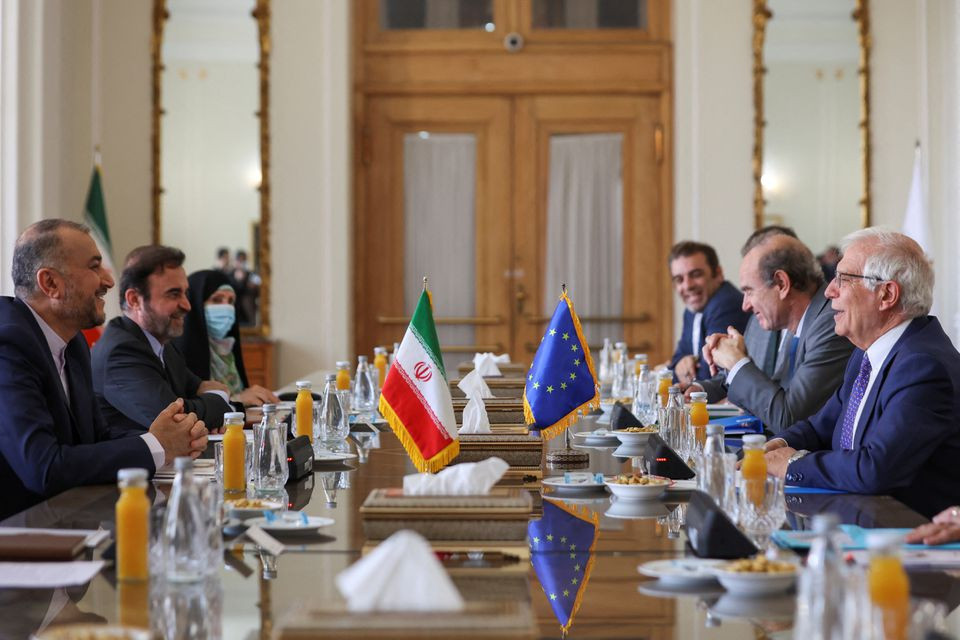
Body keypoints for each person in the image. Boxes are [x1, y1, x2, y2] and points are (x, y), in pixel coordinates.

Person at [0, 220, 207, 519]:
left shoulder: (73, 343)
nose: (109, 281)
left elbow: (96, 437)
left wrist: (170, 437)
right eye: (94, 267)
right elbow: (43, 468)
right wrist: (156, 445)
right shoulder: (9, 345)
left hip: (70, 522)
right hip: (20, 542)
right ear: (50, 284)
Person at [764, 228, 960, 518]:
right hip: (860, 519)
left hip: (908, 539)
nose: (829, 290)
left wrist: (791, 464)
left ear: (886, 294)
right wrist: (775, 446)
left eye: (843, 279)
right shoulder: (867, 354)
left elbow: (876, 468)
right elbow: (820, 427)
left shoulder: (923, 366)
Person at [695, 233, 854, 433]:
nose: (745, 305)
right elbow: (767, 386)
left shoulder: (830, 323)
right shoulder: (792, 321)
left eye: (749, 291)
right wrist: (731, 361)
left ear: (781, 283)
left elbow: (788, 418)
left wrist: (737, 362)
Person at [92, 245, 234, 433]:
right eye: (174, 294)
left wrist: (214, 407)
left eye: (186, 293)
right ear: (135, 300)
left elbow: (197, 391)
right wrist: (219, 398)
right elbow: (176, 421)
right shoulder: (121, 351)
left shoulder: (164, 344)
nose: (187, 305)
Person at [174, 269, 278, 406]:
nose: (226, 308)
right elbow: (185, 409)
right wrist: (236, 401)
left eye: (231, 301)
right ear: (195, 303)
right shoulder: (175, 353)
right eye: (217, 299)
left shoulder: (226, 349)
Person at [664, 241, 750, 385]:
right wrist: (678, 365)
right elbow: (678, 358)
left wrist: (678, 371)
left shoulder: (725, 304)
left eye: (696, 274)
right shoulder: (692, 309)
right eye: (679, 279)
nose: (687, 285)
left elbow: (709, 375)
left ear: (718, 274)